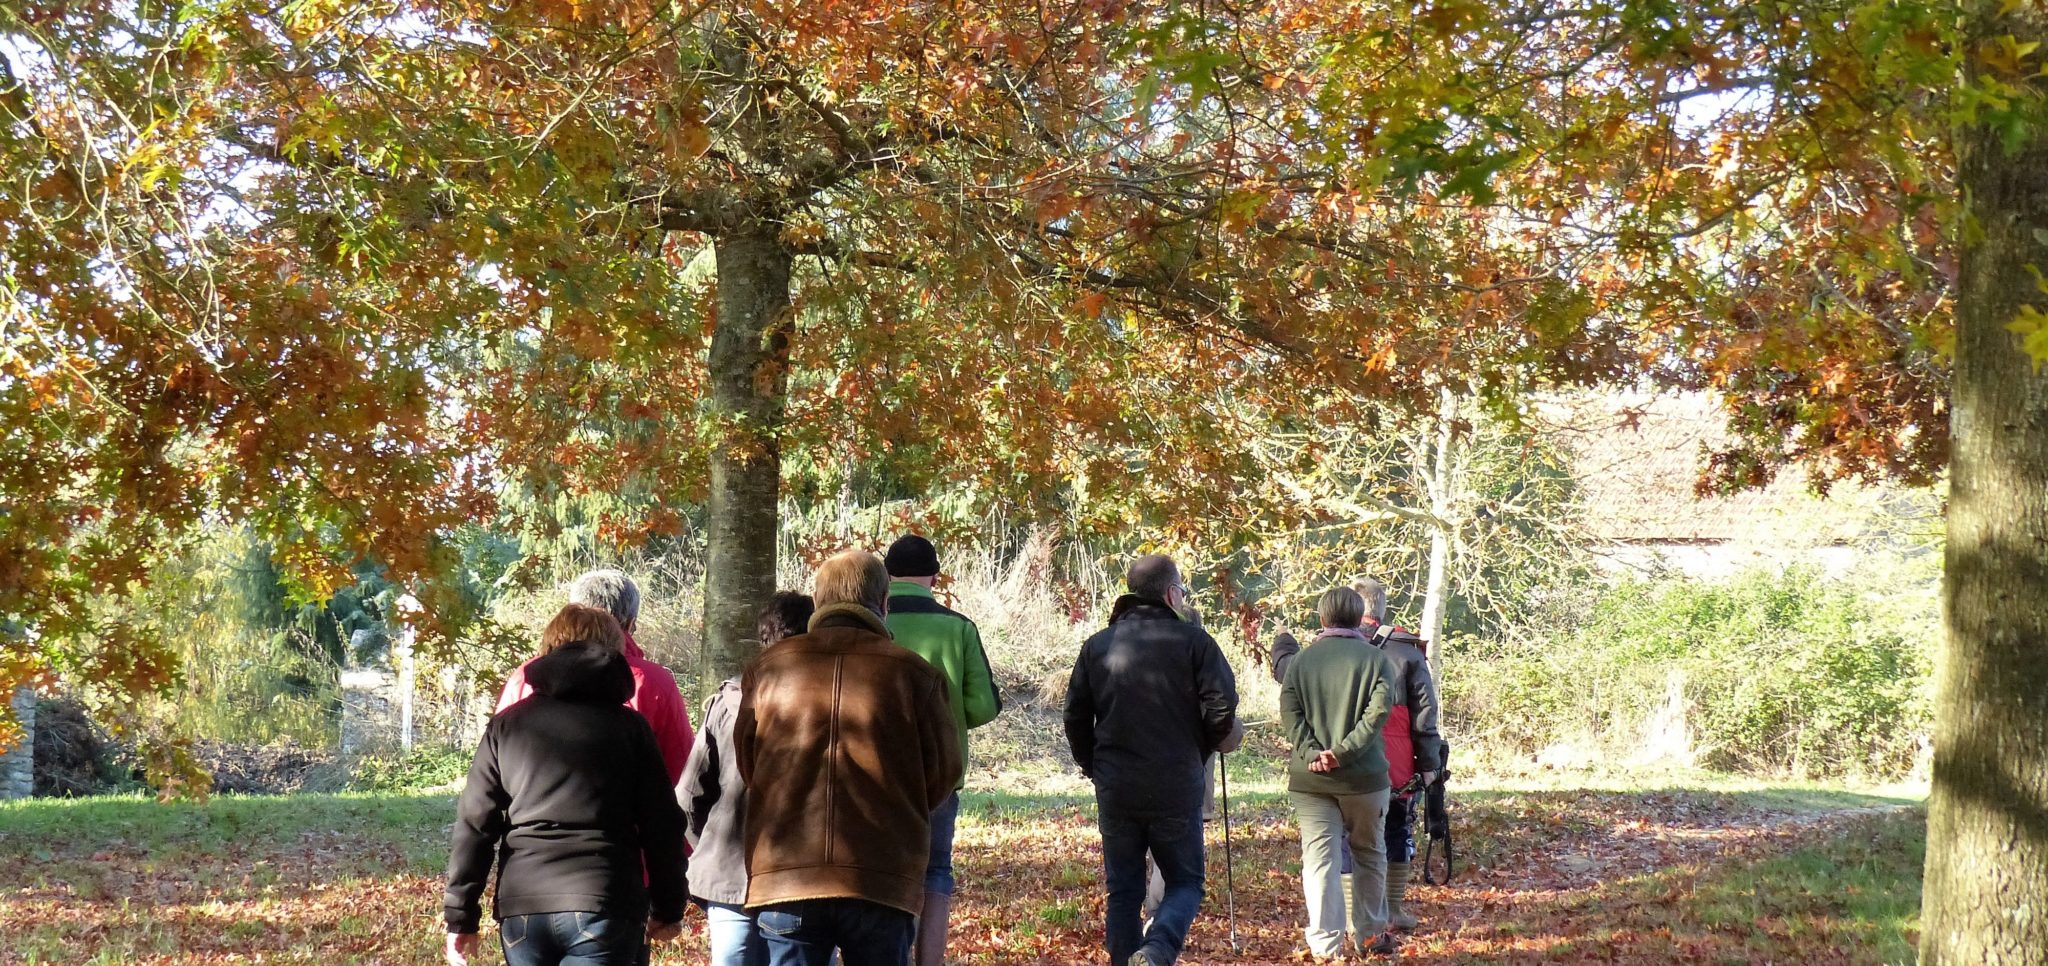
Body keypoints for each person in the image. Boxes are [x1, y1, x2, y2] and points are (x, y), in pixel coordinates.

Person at [735, 551, 962, 966]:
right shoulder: (914, 675)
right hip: (881, 876)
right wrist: (898, 805)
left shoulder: (769, 669)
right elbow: (944, 774)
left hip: (788, 873)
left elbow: (749, 763)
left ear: (819, 600)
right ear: (884, 602)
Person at [444, 604, 688, 966]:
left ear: (547, 649)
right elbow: (661, 823)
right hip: (605, 898)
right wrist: (668, 906)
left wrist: (461, 915)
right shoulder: (631, 728)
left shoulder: (507, 726)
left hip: (524, 903)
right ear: (614, 652)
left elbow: (475, 824)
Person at [1064, 554, 1238, 966]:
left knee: (1123, 889)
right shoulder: (1196, 643)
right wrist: (1200, 748)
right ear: (1171, 594)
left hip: (1117, 783)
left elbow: (1075, 716)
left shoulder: (1098, 645)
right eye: (1182, 590)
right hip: (1175, 781)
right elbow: (1222, 705)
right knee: (1186, 881)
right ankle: (1158, 949)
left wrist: (1094, 766)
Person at [881, 535, 1002, 966]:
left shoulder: (870, 625)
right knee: (935, 870)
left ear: (886, 576)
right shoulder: (958, 627)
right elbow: (984, 705)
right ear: (934, 577)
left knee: (879, 872)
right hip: (939, 774)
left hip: (873, 772)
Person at [678, 592, 815, 966]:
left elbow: (688, 797)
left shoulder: (727, 703)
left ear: (763, 638)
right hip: (798, 877)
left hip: (731, 872)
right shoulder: (826, 705)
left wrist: (712, 844)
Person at [1280, 586, 1399, 959]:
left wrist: (1313, 753)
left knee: (1320, 861)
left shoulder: (1301, 661)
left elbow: (1290, 713)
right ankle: (1370, 937)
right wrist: (1343, 753)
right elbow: (1378, 714)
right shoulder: (1377, 660)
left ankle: (1324, 945)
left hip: (1312, 779)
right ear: (1359, 619)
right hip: (1365, 779)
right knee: (1369, 854)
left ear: (1322, 618)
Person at [497, 570, 695, 783]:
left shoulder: (525, 675)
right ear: (630, 624)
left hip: (526, 801)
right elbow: (682, 768)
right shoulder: (654, 681)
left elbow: (499, 755)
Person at [1352, 578, 1442, 934]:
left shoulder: (1333, 647)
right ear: (1382, 607)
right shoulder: (1407, 651)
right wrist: (1430, 763)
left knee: (1348, 835)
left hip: (1348, 757)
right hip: (1397, 759)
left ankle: (1352, 914)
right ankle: (1392, 909)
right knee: (1396, 829)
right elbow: (1425, 715)